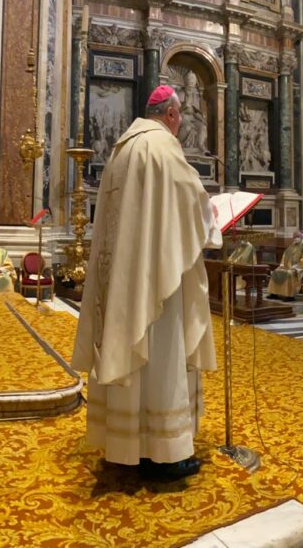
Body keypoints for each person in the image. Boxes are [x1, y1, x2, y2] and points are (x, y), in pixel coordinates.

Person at [72, 85, 221, 482]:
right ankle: (165, 451)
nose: (181, 122)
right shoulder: (163, 148)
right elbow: (193, 205)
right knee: (162, 354)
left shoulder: (122, 149)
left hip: (123, 276)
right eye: (180, 115)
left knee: (128, 343)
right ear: (171, 113)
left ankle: (127, 444)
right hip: (158, 279)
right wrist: (214, 219)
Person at [268, 232, 303, 300]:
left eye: (298, 237)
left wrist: (296, 266)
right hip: (286, 266)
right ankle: (274, 293)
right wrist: (282, 263)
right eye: (295, 237)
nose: (296, 239)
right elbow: (285, 255)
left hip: (297, 268)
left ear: (301, 238)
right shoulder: (291, 246)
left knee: (288, 274)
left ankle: (289, 295)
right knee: (276, 272)